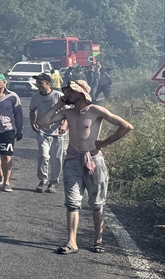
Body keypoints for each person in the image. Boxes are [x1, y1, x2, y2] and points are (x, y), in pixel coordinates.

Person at [39, 79, 133, 254]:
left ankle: (98, 241)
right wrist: (59, 104)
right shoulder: (67, 112)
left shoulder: (96, 110)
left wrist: (104, 143)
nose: (67, 94)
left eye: (71, 91)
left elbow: (126, 126)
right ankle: (72, 242)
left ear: (81, 93)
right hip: (72, 160)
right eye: (66, 91)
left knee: (96, 203)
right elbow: (43, 121)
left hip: (93, 160)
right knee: (72, 203)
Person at [28, 72, 67, 193]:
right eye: (37, 82)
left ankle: (53, 182)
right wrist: (32, 122)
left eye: (40, 82)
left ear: (48, 83)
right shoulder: (35, 97)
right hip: (42, 131)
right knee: (44, 156)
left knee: (57, 158)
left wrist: (65, 124)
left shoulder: (58, 95)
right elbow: (32, 111)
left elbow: (67, 112)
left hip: (58, 132)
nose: (38, 84)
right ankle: (43, 180)